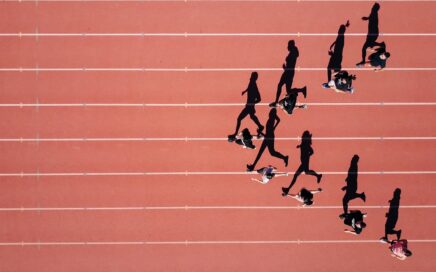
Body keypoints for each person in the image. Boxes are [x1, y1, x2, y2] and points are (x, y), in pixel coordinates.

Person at [282, 131, 322, 195]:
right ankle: (318, 175)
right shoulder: (303, 143)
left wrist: (307, 156)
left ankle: (288, 189)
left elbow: (312, 152)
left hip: (304, 162)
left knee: (296, 175)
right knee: (306, 172)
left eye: (303, 136)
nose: (302, 137)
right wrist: (299, 146)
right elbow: (303, 146)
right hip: (304, 161)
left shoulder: (306, 145)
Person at [269, 40, 307, 108]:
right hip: (288, 72)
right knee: (286, 89)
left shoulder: (293, 53)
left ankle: (276, 102)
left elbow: (291, 64)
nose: (287, 47)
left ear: (291, 45)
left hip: (288, 73)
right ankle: (302, 90)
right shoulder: (293, 52)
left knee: (282, 86)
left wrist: (285, 68)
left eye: (289, 45)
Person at [228, 72, 264, 141]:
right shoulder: (251, 83)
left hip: (249, 106)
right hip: (249, 106)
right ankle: (260, 126)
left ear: (254, 78)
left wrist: (252, 103)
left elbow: (259, 99)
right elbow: (249, 87)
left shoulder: (254, 85)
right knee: (252, 116)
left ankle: (236, 133)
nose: (250, 77)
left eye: (252, 76)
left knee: (239, 118)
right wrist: (245, 91)